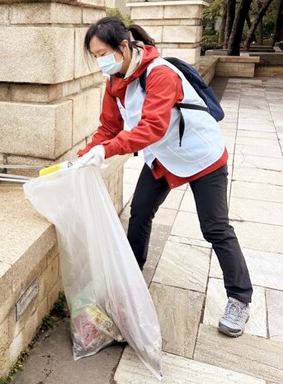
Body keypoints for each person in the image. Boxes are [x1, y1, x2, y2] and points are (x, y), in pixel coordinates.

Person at [75, 17, 253, 337]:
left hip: (202, 156)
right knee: (140, 212)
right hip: (164, 156)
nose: (100, 61)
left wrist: (108, 151)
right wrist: (85, 155)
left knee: (215, 227)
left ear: (124, 47)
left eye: (103, 53)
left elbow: (152, 127)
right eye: (95, 55)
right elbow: (109, 128)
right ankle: (129, 283)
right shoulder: (115, 81)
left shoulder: (161, 73)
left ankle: (239, 298)